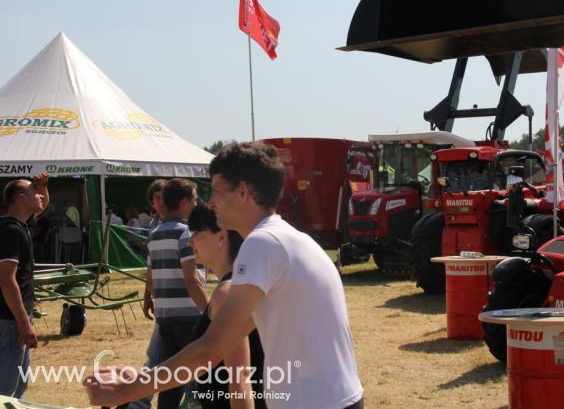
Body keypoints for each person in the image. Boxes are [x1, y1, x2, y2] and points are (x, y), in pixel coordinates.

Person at [86, 142, 364, 409]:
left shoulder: (263, 243)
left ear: (243, 192)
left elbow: (210, 349)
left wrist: (125, 391)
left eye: (217, 191)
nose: (210, 203)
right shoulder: (283, 238)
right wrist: (138, 380)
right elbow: (224, 343)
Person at [187, 204, 265, 409]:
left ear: (221, 237)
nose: (189, 241)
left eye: (196, 232)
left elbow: (240, 378)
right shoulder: (242, 286)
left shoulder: (227, 293)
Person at [147, 178, 207, 409]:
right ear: (184, 203)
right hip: (188, 316)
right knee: (203, 376)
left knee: (171, 380)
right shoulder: (186, 233)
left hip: (165, 317)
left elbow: (151, 279)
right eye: (194, 199)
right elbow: (191, 280)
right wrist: (209, 312)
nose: (196, 203)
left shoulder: (154, 234)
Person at [0, 174, 49, 397]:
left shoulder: (19, 225)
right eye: (34, 191)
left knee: (18, 387)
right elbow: (6, 279)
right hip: (9, 321)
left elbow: (42, 205)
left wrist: (43, 186)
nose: (40, 195)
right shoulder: (10, 230)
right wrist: (23, 322)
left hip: (15, 319)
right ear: (21, 199)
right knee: (5, 390)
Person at [129, 179, 168, 409]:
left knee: (158, 356)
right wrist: (147, 297)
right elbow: (150, 266)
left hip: (178, 303)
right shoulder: (153, 227)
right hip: (164, 302)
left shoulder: (185, 225)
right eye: (156, 197)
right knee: (158, 356)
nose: (160, 202)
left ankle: (139, 402)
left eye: (164, 196)